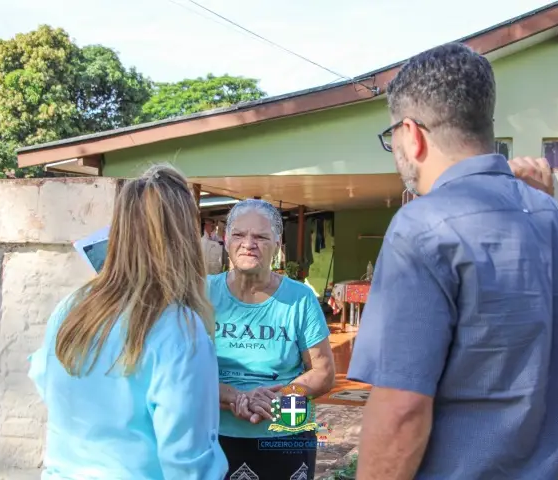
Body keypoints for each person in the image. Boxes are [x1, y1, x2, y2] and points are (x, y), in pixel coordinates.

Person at [347, 43, 558, 480]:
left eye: (391, 136)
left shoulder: (421, 227)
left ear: (411, 134)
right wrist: (546, 205)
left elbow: (402, 409)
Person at [28, 165, 227, 480]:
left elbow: (43, 378)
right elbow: (188, 462)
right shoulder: (180, 329)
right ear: (185, 238)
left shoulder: (71, 307)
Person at [209, 198, 336, 480]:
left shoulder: (300, 298)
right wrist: (235, 397)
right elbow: (184, 372)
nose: (248, 244)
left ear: (277, 244)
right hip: (214, 434)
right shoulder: (202, 294)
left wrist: (277, 399)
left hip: (285, 435)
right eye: (239, 234)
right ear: (226, 240)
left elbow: (324, 373)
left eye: (261, 237)